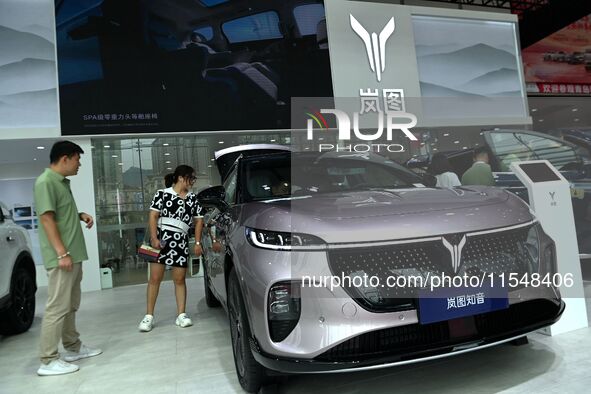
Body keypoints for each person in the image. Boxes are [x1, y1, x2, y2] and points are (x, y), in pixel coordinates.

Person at [34, 141, 102, 376]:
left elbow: (61, 213)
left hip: (73, 256)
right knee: (56, 308)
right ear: (65, 158)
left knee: (70, 305)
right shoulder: (45, 182)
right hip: (62, 258)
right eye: (77, 159)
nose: (79, 164)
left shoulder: (62, 183)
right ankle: (48, 359)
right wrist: (62, 253)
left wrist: (79, 214)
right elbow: (46, 219)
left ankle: (73, 347)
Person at [138, 165, 204, 332]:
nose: (192, 182)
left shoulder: (192, 198)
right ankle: (148, 316)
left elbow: (199, 220)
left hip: (181, 242)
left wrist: (197, 242)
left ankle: (181, 314)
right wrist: (154, 238)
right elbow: (153, 215)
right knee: (155, 278)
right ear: (181, 177)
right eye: (191, 178)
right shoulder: (162, 194)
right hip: (161, 241)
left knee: (180, 279)